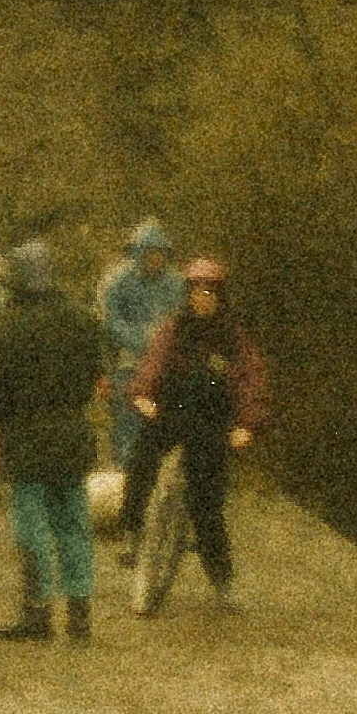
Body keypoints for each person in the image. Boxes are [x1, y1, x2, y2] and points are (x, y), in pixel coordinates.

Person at [0, 233, 111, 646]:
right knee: (74, 525)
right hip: (71, 432)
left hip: (24, 436)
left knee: (31, 528)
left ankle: (37, 612)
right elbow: (94, 374)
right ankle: (80, 617)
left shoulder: (1, 328)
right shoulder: (82, 321)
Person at [128, 253, 267, 608]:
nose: (202, 299)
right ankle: (133, 529)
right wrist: (143, 394)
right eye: (196, 292)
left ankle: (222, 579)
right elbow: (153, 363)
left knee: (207, 503)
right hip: (173, 412)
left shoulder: (233, 337)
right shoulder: (174, 329)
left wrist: (246, 424)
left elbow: (250, 381)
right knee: (141, 461)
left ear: (220, 296)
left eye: (209, 293)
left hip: (210, 422)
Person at [95, 218, 179, 513]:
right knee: (128, 429)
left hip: (167, 367)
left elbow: (182, 319)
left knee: (163, 428)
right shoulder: (119, 282)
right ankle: (126, 497)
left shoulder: (175, 284)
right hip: (129, 365)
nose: (156, 260)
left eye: (160, 254)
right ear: (140, 253)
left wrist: (166, 343)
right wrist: (140, 340)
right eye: (150, 253)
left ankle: (159, 498)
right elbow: (109, 322)